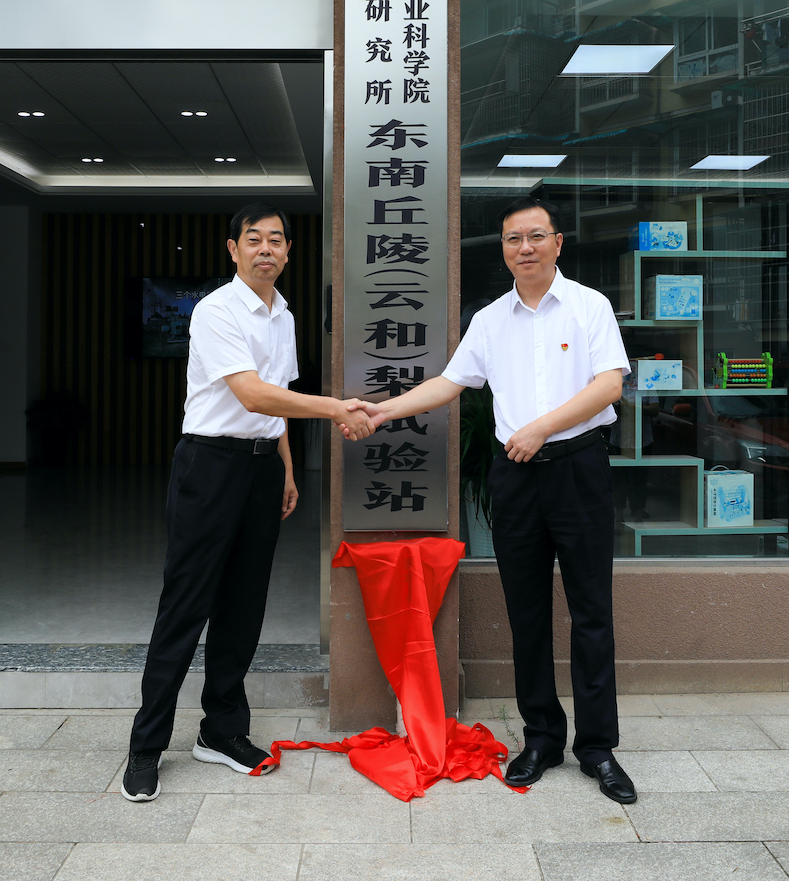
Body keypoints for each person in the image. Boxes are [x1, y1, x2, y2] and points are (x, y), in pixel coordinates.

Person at [363, 197, 636, 804]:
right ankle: (541, 738)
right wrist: (383, 411)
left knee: (592, 613)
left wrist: (542, 428)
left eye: (536, 236)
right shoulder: (489, 319)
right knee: (526, 613)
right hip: (516, 476)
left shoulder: (589, 306)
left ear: (558, 243)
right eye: (514, 239)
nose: (525, 248)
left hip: (579, 469)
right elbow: (450, 382)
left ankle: (598, 748)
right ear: (504, 250)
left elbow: (609, 386)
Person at [122, 204, 376, 803]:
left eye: (277, 240)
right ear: (232, 249)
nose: (266, 249)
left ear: (289, 252)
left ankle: (221, 731)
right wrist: (337, 408)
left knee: (243, 606)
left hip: (261, 468)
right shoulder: (216, 310)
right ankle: (146, 746)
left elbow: (278, 398)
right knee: (186, 606)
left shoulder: (283, 313)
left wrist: (284, 466)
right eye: (254, 239)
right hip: (209, 465)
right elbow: (253, 395)